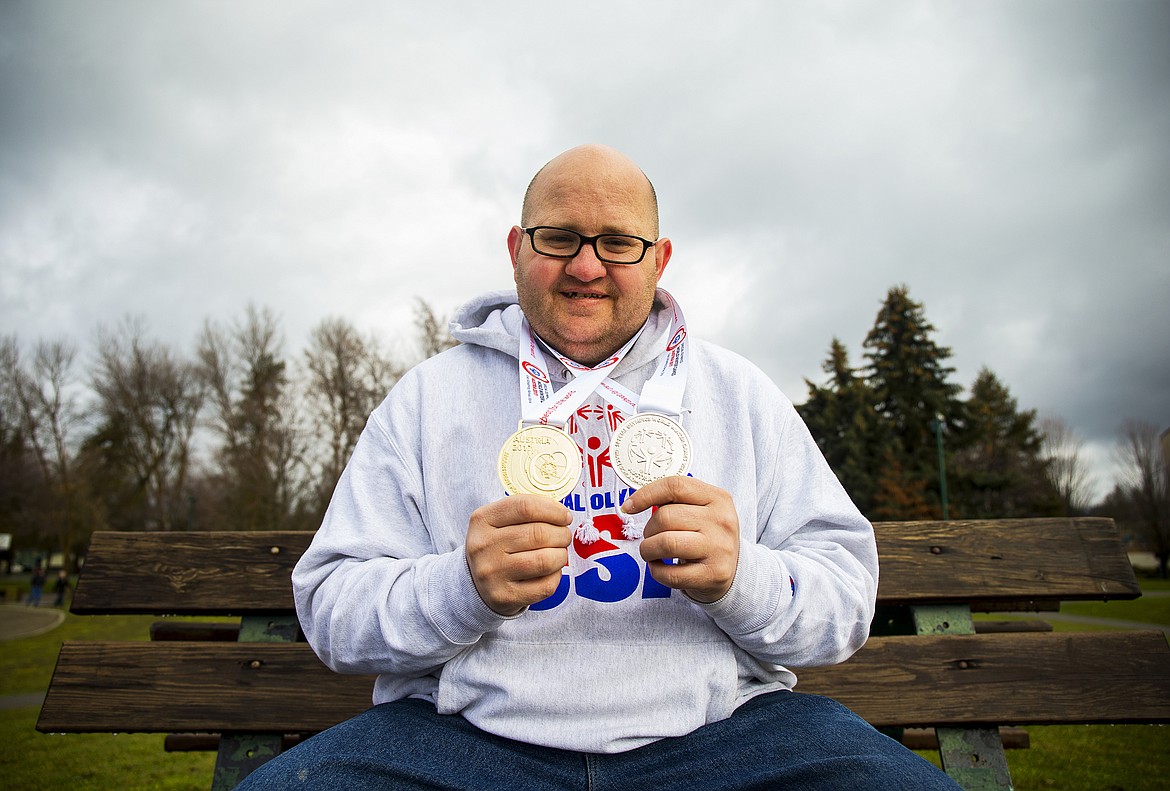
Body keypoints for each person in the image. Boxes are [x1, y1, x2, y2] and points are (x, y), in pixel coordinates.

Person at [238, 145, 960, 790]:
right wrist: (460, 588)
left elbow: (844, 604)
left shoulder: (739, 394)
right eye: (559, 238)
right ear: (517, 247)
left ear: (660, 257)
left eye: (618, 242)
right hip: (460, 743)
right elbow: (332, 609)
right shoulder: (427, 398)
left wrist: (745, 578)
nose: (587, 266)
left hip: (727, 740)